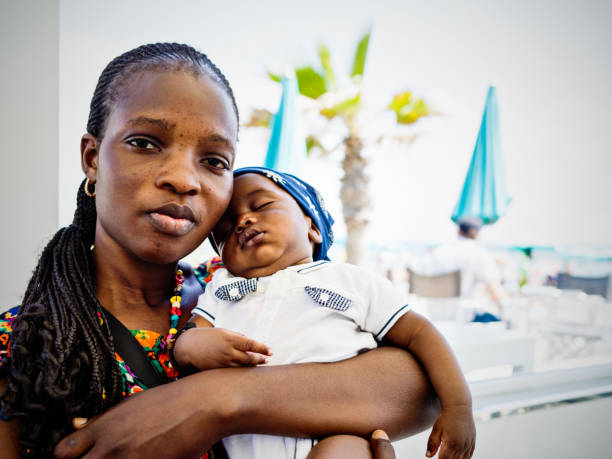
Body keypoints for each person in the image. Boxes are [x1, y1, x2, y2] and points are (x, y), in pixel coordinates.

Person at [0, 43, 440, 458]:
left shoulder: (245, 285)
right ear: (93, 158)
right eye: (145, 143)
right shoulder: (25, 338)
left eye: (213, 160)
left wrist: (214, 401)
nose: (183, 178)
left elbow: (418, 384)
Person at [172, 167, 476, 459]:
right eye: (225, 229)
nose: (242, 221)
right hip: (242, 440)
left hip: (332, 434)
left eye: (261, 205)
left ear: (313, 227)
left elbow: (419, 333)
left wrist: (459, 407)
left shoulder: (351, 281)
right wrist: (194, 345)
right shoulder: (220, 288)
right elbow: (188, 337)